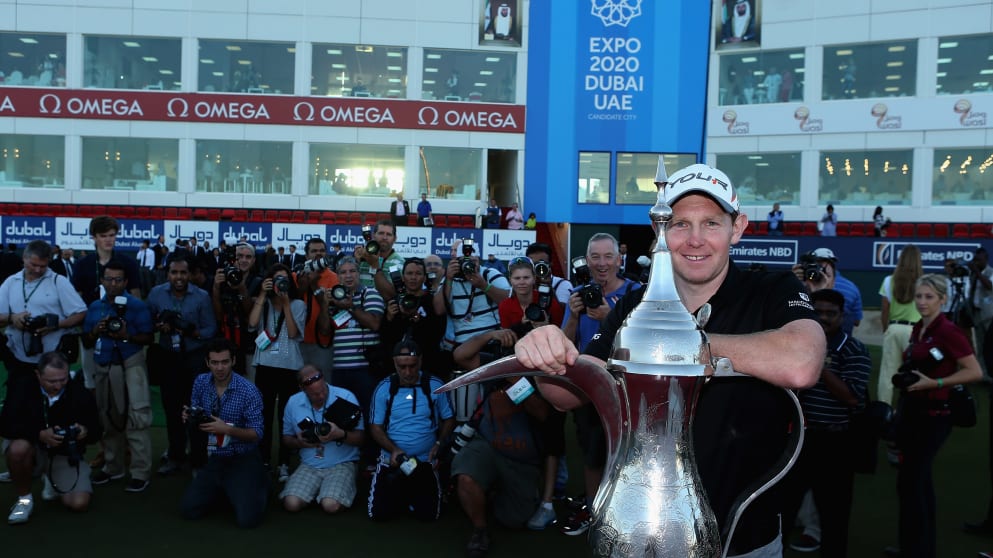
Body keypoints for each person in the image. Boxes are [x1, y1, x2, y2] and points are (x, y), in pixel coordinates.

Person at [515, 163, 824, 556]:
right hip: (646, 532)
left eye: (711, 223)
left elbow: (802, 361)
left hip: (745, 536)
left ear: (738, 228)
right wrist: (549, 355)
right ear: (659, 231)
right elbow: (566, 394)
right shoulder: (633, 303)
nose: (695, 240)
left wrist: (682, 347)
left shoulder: (771, 289)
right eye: (680, 224)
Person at [886, 274, 982, 558]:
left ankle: (917, 550)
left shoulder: (948, 331)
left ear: (943, 299)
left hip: (935, 415)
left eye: (929, 297)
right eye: (919, 296)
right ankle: (913, 546)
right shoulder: (920, 328)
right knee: (913, 483)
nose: (922, 302)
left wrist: (935, 383)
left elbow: (974, 371)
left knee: (914, 483)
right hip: (914, 411)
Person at [557, 232, 641, 535]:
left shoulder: (635, 292)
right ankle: (595, 517)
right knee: (592, 453)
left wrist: (612, 317)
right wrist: (575, 317)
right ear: (586, 260)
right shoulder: (577, 294)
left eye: (608, 257)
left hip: (628, 389)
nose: (602, 264)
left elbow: (646, 339)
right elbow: (566, 345)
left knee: (631, 456)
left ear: (619, 259)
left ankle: (628, 517)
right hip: (590, 387)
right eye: (596, 257)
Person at [781, 289, 870, 557]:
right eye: (817, 312)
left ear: (843, 316)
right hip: (799, 439)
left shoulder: (854, 349)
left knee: (835, 515)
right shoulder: (796, 344)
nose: (823, 318)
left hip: (836, 443)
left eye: (831, 314)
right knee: (784, 510)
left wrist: (816, 364)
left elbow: (852, 398)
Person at [451, 330, 553, 557]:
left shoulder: (538, 372)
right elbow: (460, 355)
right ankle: (479, 530)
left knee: (514, 519)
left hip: (521, 458)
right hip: (487, 446)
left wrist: (515, 381)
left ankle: (493, 492)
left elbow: (542, 413)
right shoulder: (493, 365)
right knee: (466, 476)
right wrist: (489, 336)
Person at [0, 351, 102, 524]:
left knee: (79, 504)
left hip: (63, 454)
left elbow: (97, 430)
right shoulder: (21, 386)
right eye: (51, 381)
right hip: (32, 448)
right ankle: (24, 500)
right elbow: (5, 425)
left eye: (63, 379)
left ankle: (52, 478)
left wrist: (85, 431)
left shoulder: (78, 390)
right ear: (38, 375)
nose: (58, 386)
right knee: (17, 449)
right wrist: (38, 434)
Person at [180, 339, 269, 528]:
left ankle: (257, 483)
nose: (219, 368)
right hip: (215, 457)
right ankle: (228, 490)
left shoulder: (249, 391)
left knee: (248, 520)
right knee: (189, 510)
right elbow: (196, 409)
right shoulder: (201, 382)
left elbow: (257, 434)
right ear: (207, 363)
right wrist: (189, 415)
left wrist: (226, 429)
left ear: (233, 361)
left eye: (225, 362)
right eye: (214, 362)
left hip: (242, 456)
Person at [83, 259, 155, 492]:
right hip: (103, 364)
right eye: (108, 279)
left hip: (131, 361)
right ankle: (113, 466)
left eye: (118, 280)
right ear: (102, 281)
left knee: (137, 416)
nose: (113, 284)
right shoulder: (95, 307)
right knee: (107, 418)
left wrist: (126, 335)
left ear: (125, 282)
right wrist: (96, 330)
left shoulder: (137, 306)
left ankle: (140, 471)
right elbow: (86, 339)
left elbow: (148, 337)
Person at [367, 340, 455, 521]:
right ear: (394, 363)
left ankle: (411, 494)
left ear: (421, 361)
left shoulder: (435, 385)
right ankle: (403, 493)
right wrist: (393, 450)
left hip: (425, 461)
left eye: (412, 366)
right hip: (393, 461)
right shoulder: (384, 388)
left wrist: (440, 442)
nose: (408, 372)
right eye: (402, 367)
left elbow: (449, 418)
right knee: (378, 514)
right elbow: (375, 427)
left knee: (430, 515)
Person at [146, 256, 217, 476]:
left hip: (194, 358)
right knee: (172, 409)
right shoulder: (156, 293)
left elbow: (210, 329)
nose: (179, 277)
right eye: (174, 272)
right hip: (168, 357)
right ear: (168, 274)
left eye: (183, 273)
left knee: (196, 409)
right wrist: (159, 326)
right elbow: (147, 323)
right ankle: (175, 456)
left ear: (189, 274)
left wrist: (192, 331)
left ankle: (198, 460)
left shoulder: (201, 296)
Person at [0, 240, 87, 400]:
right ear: (24, 258)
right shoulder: (11, 282)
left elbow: (80, 313)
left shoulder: (58, 281)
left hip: (53, 358)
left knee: (55, 404)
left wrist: (54, 325)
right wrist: (13, 318)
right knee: (18, 405)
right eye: (33, 265)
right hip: (18, 357)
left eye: (43, 266)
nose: (38, 270)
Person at [247, 263, 306, 482]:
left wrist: (286, 304)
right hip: (265, 365)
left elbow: (292, 332)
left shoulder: (298, 304)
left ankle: (283, 463)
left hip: (289, 366)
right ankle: (263, 460)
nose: (281, 284)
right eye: (276, 279)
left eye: (285, 280)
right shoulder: (263, 303)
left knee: (286, 418)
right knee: (264, 416)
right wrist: (262, 293)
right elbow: (251, 324)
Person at [281, 365, 365, 514]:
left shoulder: (345, 397)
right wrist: (298, 443)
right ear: (302, 389)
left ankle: (331, 492)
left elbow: (361, 439)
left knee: (330, 505)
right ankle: (323, 490)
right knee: (291, 504)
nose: (320, 396)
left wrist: (340, 434)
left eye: (323, 391)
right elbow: (286, 438)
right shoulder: (293, 402)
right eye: (315, 394)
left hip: (341, 463)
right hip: (309, 464)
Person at [71, 216, 141, 392]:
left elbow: (136, 296)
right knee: (91, 379)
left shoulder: (128, 263)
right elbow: (76, 299)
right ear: (93, 237)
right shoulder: (82, 265)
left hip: (121, 326)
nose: (109, 239)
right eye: (104, 235)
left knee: (122, 379)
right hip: (91, 328)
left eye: (112, 235)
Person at [328, 256, 384, 419]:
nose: (348, 276)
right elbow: (325, 331)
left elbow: (375, 324)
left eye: (352, 271)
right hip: (340, 368)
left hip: (365, 369)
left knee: (368, 414)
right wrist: (325, 304)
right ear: (337, 277)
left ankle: (369, 445)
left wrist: (350, 306)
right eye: (343, 272)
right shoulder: (334, 299)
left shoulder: (371, 294)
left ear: (359, 273)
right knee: (343, 416)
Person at [433, 239, 510, 345]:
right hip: (464, 343)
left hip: (493, 340)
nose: (469, 265)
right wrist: (449, 279)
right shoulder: (450, 279)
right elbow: (439, 310)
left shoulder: (489, 274)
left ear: (479, 260)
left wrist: (484, 286)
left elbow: (509, 303)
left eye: (473, 262)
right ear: (457, 262)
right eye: (465, 261)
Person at [379, 258, 447, 379]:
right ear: (403, 277)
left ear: (425, 278)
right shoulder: (394, 302)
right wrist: (389, 317)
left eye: (418, 273)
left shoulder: (432, 301)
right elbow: (385, 336)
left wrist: (419, 320)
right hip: (396, 368)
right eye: (409, 273)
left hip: (428, 365)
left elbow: (438, 332)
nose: (413, 277)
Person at [878, 245, 923, 407]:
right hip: (916, 332)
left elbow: (885, 311)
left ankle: (884, 412)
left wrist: (886, 330)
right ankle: (912, 410)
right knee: (916, 373)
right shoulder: (924, 282)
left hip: (894, 328)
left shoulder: (889, 280)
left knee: (887, 374)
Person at [211, 242, 264, 380]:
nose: (243, 260)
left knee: (249, 384)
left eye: (248, 257)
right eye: (239, 256)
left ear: (253, 260)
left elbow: (249, 312)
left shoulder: (258, 282)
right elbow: (218, 314)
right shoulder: (223, 277)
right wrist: (216, 288)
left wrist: (241, 289)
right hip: (225, 339)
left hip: (248, 342)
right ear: (233, 258)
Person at [294, 238, 338, 379]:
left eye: (322, 251)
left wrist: (314, 284)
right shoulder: (297, 275)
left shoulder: (334, 278)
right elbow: (293, 301)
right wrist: (304, 283)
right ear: (306, 256)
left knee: (323, 385)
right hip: (297, 341)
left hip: (323, 342)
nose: (318, 254)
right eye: (314, 251)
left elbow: (330, 305)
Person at [355, 219, 406, 300]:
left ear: (395, 238)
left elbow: (391, 295)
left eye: (388, 234)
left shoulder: (400, 263)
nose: (384, 237)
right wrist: (356, 262)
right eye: (381, 233)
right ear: (374, 235)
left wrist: (375, 266)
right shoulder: (363, 257)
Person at [969, 247, 993, 377]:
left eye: (979, 260)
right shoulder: (973, 273)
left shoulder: (990, 272)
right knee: (980, 345)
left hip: (990, 314)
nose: (977, 262)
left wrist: (977, 272)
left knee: (990, 346)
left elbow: (989, 286)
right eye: (975, 259)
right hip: (977, 312)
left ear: (986, 260)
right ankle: (983, 374)